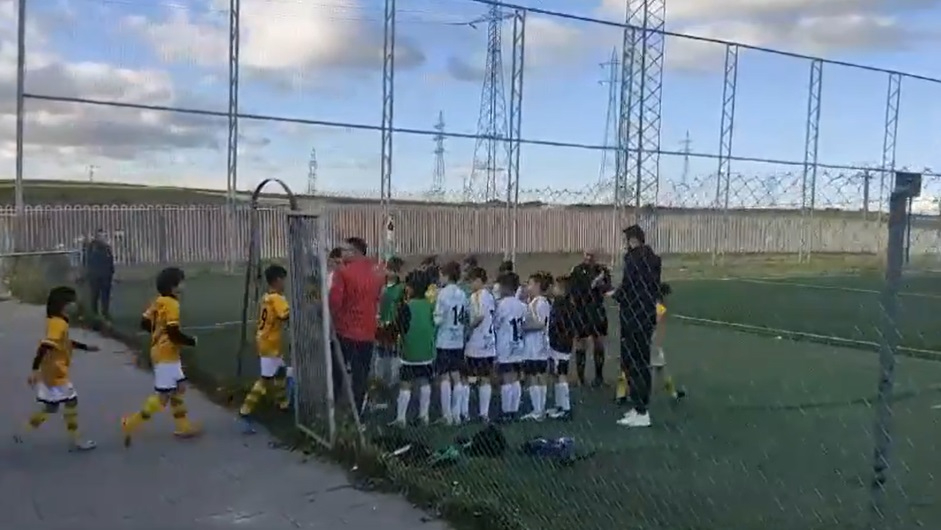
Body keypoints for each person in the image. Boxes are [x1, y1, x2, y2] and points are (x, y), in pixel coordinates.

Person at [122, 267, 201, 445]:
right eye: (181, 282)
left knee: (179, 388)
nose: (184, 285)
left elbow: (144, 322)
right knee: (162, 398)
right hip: (166, 355)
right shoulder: (172, 304)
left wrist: (157, 332)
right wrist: (190, 341)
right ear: (173, 286)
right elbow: (173, 333)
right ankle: (131, 423)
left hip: (163, 352)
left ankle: (183, 426)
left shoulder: (158, 301)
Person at [15, 286, 99, 452]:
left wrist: (85, 347)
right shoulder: (58, 324)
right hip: (56, 373)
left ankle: (23, 432)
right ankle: (76, 440)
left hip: (50, 371)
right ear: (63, 304)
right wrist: (34, 369)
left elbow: (64, 342)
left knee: (51, 407)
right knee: (71, 402)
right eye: (72, 302)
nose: (75, 305)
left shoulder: (56, 321)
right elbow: (45, 346)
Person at [613, 225, 662, 428]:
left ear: (632, 240)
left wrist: (615, 295)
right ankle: (639, 407)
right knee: (641, 362)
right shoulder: (654, 259)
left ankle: (641, 411)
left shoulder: (633, 258)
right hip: (646, 315)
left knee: (634, 363)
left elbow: (628, 286)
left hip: (633, 316)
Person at [329, 237, 383, 416]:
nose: (342, 253)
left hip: (345, 330)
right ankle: (356, 412)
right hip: (367, 331)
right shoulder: (377, 272)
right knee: (361, 375)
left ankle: (334, 409)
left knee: (337, 371)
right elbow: (378, 298)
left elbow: (335, 301)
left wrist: (327, 314)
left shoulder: (343, 272)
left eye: (344, 250)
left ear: (354, 251)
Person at [238, 264, 291, 434]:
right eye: (283, 280)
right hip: (270, 343)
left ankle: (282, 404)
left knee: (280, 371)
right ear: (277, 280)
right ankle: (245, 410)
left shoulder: (266, 297)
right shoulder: (277, 298)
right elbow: (285, 315)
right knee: (266, 379)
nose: (285, 283)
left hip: (265, 340)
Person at [391, 275, 436, 427]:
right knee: (424, 381)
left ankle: (401, 419)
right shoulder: (430, 305)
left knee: (405, 383)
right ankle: (424, 416)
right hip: (427, 351)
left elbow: (400, 329)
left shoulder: (406, 307)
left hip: (410, 352)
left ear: (411, 288)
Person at [568, 250, 611, 387]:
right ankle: (581, 378)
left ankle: (599, 377)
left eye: (592, 255)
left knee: (599, 342)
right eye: (587, 255)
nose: (588, 258)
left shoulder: (602, 270)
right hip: (582, 310)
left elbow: (608, 288)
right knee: (581, 342)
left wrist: (600, 285)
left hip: (597, 309)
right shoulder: (577, 270)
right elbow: (573, 290)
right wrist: (592, 284)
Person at [434, 261, 470, 425]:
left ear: (446, 276)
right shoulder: (462, 293)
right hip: (458, 340)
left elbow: (438, 318)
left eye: (441, 275)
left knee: (444, 376)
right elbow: (465, 315)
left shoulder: (442, 294)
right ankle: (457, 414)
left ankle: (446, 415)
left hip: (444, 340)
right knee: (457, 376)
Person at [493, 271, 526, 423]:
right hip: (518, 345)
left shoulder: (501, 305)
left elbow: (496, 323)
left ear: (505, 287)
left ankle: (506, 412)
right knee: (515, 377)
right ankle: (514, 410)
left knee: (506, 378)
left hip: (505, 345)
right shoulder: (521, 305)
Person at [464, 266, 496, 422]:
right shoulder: (490, 296)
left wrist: (467, 329)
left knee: (470, 377)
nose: (470, 285)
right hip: (489, 342)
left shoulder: (477, 296)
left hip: (476, 343)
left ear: (478, 280)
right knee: (485, 378)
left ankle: (466, 412)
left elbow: (479, 317)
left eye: (471, 281)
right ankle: (484, 413)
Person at [521, 272, 552, 422]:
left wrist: (524, 327)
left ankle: (538, 409)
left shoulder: (540, 302)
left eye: (530, 284)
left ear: (538, 285)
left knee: (535, 376)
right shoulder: (534, 302)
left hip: (536, 345)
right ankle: (539, 409)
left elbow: (541, 324)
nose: (528, 287)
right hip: (534, 346)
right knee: (536, 375)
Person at [547, 276, 575, 420]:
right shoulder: (568, 305)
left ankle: (565, 408)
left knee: (561, 374)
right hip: (564, 343)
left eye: (556, 287)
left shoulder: (560, 305)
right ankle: (560, 406)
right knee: (558, 374)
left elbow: (556, 324)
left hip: (559, 344)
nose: (553, 289)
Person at [376, 256, 406, 391]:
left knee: (394, 353)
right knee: (381, 353)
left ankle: (393, 382)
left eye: (395, 270)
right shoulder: (381, 286)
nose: (391, 273)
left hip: (394, 325)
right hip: (381, 324)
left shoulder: (401, 288)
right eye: (389, 269)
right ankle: (379, 381)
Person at [652, 283, 685, 402]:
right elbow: (657, 322)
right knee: (660, 367)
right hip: (652, 339)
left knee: (660, 367)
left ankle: (672, 393)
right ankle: (672, 393)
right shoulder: (659, 306)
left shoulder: (652, 303)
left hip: (650, 337)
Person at [84, 228, 115, 320]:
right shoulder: (92, 247)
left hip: (106, 276)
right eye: (101, 236)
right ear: (97, 237)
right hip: (95, 276)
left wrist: (111, 272)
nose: (103, 237)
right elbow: (87, 260)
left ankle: (105, 312)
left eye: (104, 235)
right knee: (94, 295)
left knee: (105, 295)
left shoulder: (107, 248)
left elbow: (110, 260)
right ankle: (94, 313)